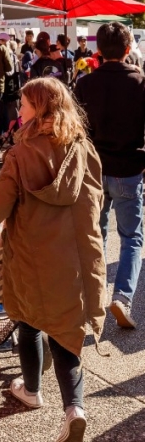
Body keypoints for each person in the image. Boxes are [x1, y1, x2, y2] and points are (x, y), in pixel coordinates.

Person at [0, 78, 106, 442]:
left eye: (25, 103)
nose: (19, 109)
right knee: (66, 333)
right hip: (75, 256)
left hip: (32, 255)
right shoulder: (83, 148)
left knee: (29, 322)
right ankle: (75, 408)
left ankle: (31, 391)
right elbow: (95, 204)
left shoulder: (21, 153)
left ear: (40, 108)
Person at [75, 22, 145, 329]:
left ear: (98, 51)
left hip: (94, 169)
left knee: (96, 235)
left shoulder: (85, 83)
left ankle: (94, 298)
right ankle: (123, 297)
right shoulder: (140, 81)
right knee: (131, 238)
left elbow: (77, 132)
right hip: (130, 169)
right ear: (128, 50)